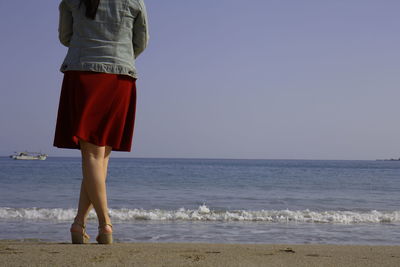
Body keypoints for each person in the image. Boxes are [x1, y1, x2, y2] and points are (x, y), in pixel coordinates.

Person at [53, 0, 149, 244]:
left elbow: (66, 37)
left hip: (82, 74)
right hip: (119, 76)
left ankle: (85, 224)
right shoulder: (134, 1)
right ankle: (97, 223)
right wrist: (120, 53)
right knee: (99, 156)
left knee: (94, 156)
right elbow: (141, 42)